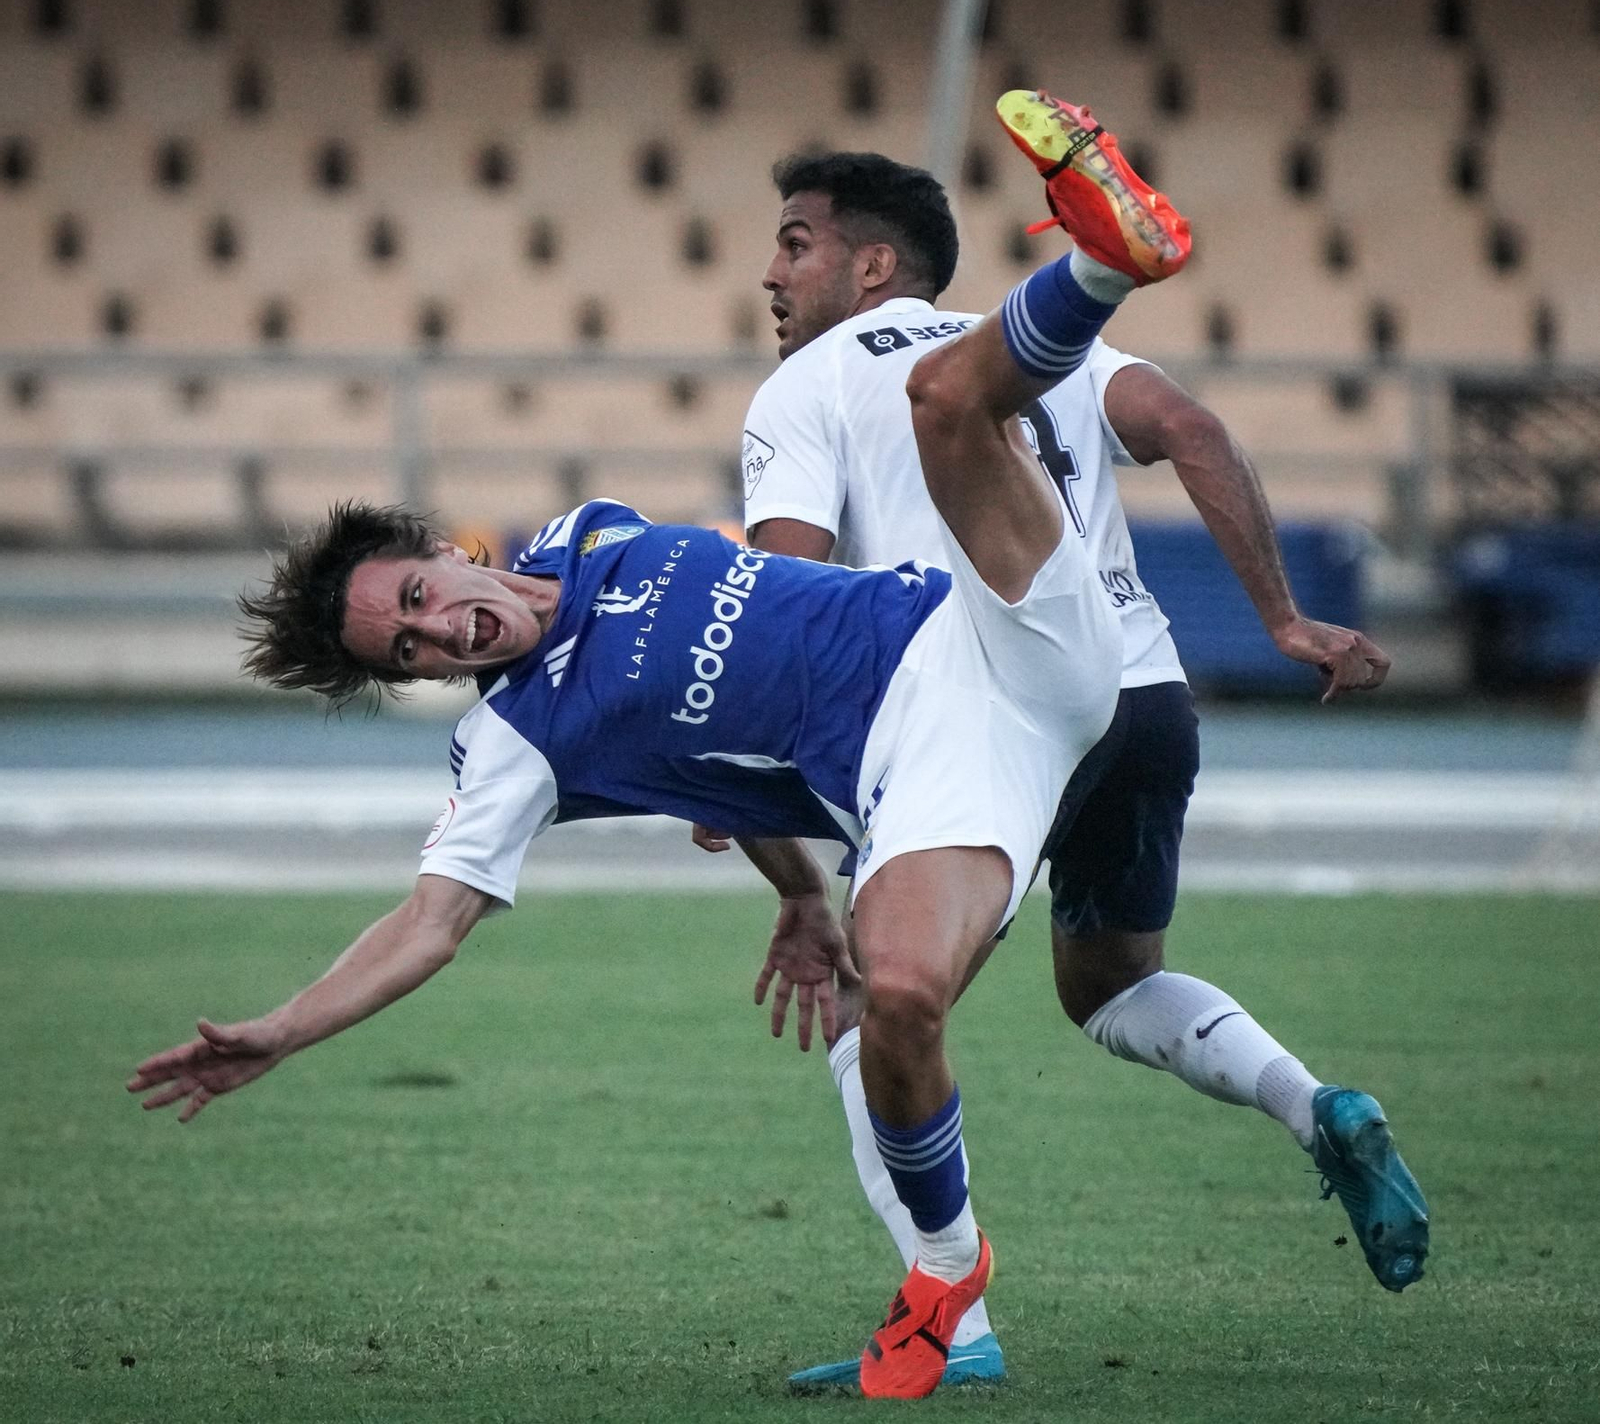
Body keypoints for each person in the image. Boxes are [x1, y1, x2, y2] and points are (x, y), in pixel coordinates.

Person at [126, 88, 1193, 1400]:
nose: (433, 636)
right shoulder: (518, 742)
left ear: (432, 551)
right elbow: (427, 923)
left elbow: (741, 706)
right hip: (942, 767)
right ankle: (945, 1277)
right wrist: (281, 1032)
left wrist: (798, 893)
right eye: (401, 654)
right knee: (902, 997)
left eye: (411, 600)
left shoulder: (594, 527)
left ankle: (1108, 254)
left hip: (984, 635)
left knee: (939, 397)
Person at [713, 92, 1427, 1391]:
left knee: (875, 1010)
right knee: (1106, 983)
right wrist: (1282, 617)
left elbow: (788, 597)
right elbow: (1193, 430)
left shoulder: (804, 387)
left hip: (979, 715)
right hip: (1135, 689)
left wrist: (745, 775)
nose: (771, 272)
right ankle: (1314, 1106)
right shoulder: (1035, 349)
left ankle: (954, 1329)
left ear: (874, 263)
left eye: (796, 241)